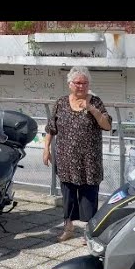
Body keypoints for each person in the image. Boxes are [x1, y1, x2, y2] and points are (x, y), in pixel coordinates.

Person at [43, 66, 112, 242]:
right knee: (68, 195)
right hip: (66, 158)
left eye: (85, 83)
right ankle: (68, 228)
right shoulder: (60, 103)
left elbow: (107, 125)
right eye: (78, 83)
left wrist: (92, 109)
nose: (81, 86)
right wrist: (46, 149)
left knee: (89, 196)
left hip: (89, 159)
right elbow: (51, 128)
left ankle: (89, 232)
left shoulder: (95, 102)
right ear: (70, 84)